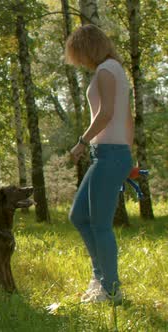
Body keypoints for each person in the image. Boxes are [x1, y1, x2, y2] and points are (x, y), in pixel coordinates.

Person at [65, 24, 134, 304]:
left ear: (87, 47)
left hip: (109, 152)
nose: (79, 61)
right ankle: (100, 278)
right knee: (79, 216)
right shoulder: (114, 69)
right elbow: (126, 118)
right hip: (111, 153)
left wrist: (82, 141)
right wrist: (127, 157)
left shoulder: (106, 70)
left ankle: (111, 289)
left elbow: (106, 114)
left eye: (78, 54)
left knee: (100, 224)